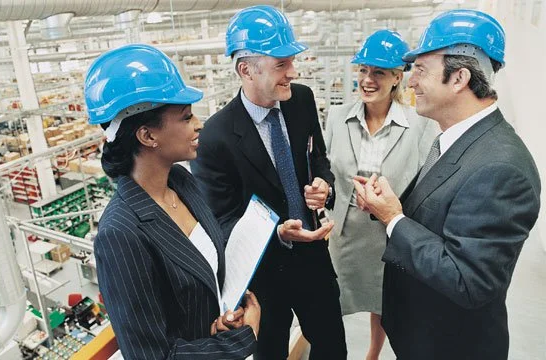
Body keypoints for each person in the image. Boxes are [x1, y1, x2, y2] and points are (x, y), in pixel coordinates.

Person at [353, 10, 541, 360]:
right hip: (422, 335)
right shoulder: (455, 140)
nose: (410, 82)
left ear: (459, 78)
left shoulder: (501, 168)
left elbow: (468, 280)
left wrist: (394, 219)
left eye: (421, 70)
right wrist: (391, 208)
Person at [86, 44, 261, 360]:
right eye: (185, 117)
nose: (198, 125)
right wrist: (240, 341)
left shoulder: (182, 181)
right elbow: (152, 355)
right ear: (147, 136)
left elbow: (198, 288)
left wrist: (219, 321)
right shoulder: (121, 234)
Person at [191, 6, 346, 360]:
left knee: (333, 348)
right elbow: (222, 223)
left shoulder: (302, 100)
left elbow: (317, 157)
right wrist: (277, 233)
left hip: (313, 260)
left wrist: (324, 183)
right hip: (264, 279)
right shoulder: (215, 137)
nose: (293, 72)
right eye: (281, 64)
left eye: (291, 62)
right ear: (246, 69)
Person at [323, 29, 438, 360]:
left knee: (384, 300)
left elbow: (424, 181)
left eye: (379, 72)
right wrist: (323, 190)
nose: (367, 80)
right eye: (363, 71)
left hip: (388, 233)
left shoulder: (419, 124)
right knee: (335, 298)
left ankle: (372, 353)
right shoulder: (336, 117)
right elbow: (326, 172)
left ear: (397, 78)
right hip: (346, 232)